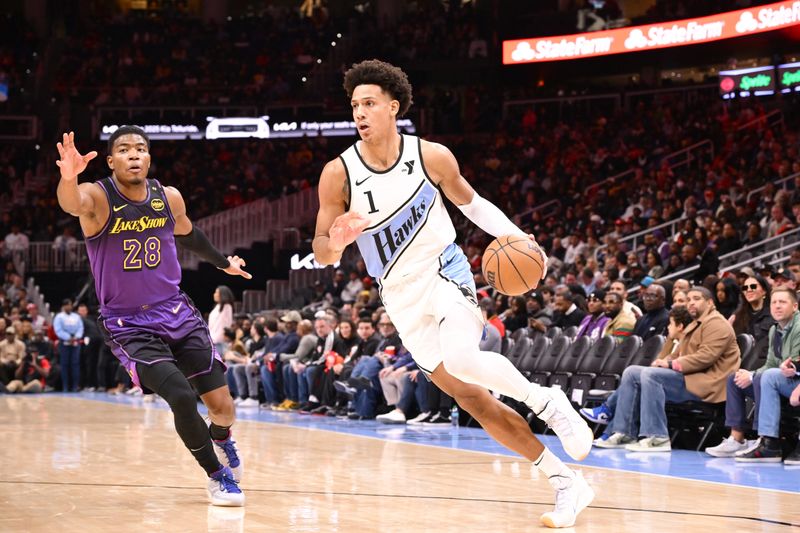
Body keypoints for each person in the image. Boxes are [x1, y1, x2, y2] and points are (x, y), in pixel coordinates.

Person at [312, 60, 593, 528]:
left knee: (463, 358)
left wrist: (521, 238)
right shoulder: (337, 173)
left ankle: (548, 402)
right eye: (354, 105)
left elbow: (474, 205)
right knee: (475, 401)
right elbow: (321, 249)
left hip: (445, 271)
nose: (359, 113)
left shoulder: (430, 156)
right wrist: (335, 243)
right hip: (400, 299)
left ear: (393, 107)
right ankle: (568, 483)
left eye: (369, 103)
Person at [55, 128, 250, 505]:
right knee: (178, 393)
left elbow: (189, 234)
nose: (134, 155)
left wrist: (223, 263)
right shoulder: (98, 196)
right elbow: (72, 203)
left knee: (223, 409)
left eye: (141, 149)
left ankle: (222, 437)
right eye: (125, 150)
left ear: (148, 158)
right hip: (128, 323)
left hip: (176, 311)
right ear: (111, 161)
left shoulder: (168, 196)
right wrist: (68, 177)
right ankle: (217, 475)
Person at [594, 288, 740, 452]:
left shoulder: (717, 323)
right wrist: (664, 361)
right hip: (691, 378)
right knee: (633, 372)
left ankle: (658, 437)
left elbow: (705, 357)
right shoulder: (695, 323)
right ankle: (623, 432)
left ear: (710, 303)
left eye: (697, 298)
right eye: (689, 299)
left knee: (651, 375)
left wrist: (671, 365)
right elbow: (677, 354)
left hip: (708, 384)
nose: (691, 302)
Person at [706, 288, 800, 458]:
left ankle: (766, 439)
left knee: (766, 377)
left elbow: (792, 365)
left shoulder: (799, 326)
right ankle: (736, 438)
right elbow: (770, 363)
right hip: (781, 380)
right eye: (774, 302)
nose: (777, 306)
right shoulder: (774, 330)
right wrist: (750, 374)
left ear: (794, 306)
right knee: (735, 378)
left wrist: (755, 376)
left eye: (782, 302)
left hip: (795, 381)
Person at [53, 298, 83, 392]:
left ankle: (75, 386)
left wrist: (76, 337)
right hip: (64, 342)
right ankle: (65, 386)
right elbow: (58, 330)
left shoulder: (76, 316)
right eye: (67, 305)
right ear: (64, 306)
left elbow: (80, 328)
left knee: (75, 364)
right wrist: (68, 337)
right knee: (65, 364)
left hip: (75, 342)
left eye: (70, 305)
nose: (69, 306)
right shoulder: (59, 317)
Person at [209, 286, 235, 356]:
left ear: (222, 294)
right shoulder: (217, 307)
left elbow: (226, 325)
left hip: (219, 342)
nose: (214, 294)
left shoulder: (227, 307)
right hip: (212, 340)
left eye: (217, 292)